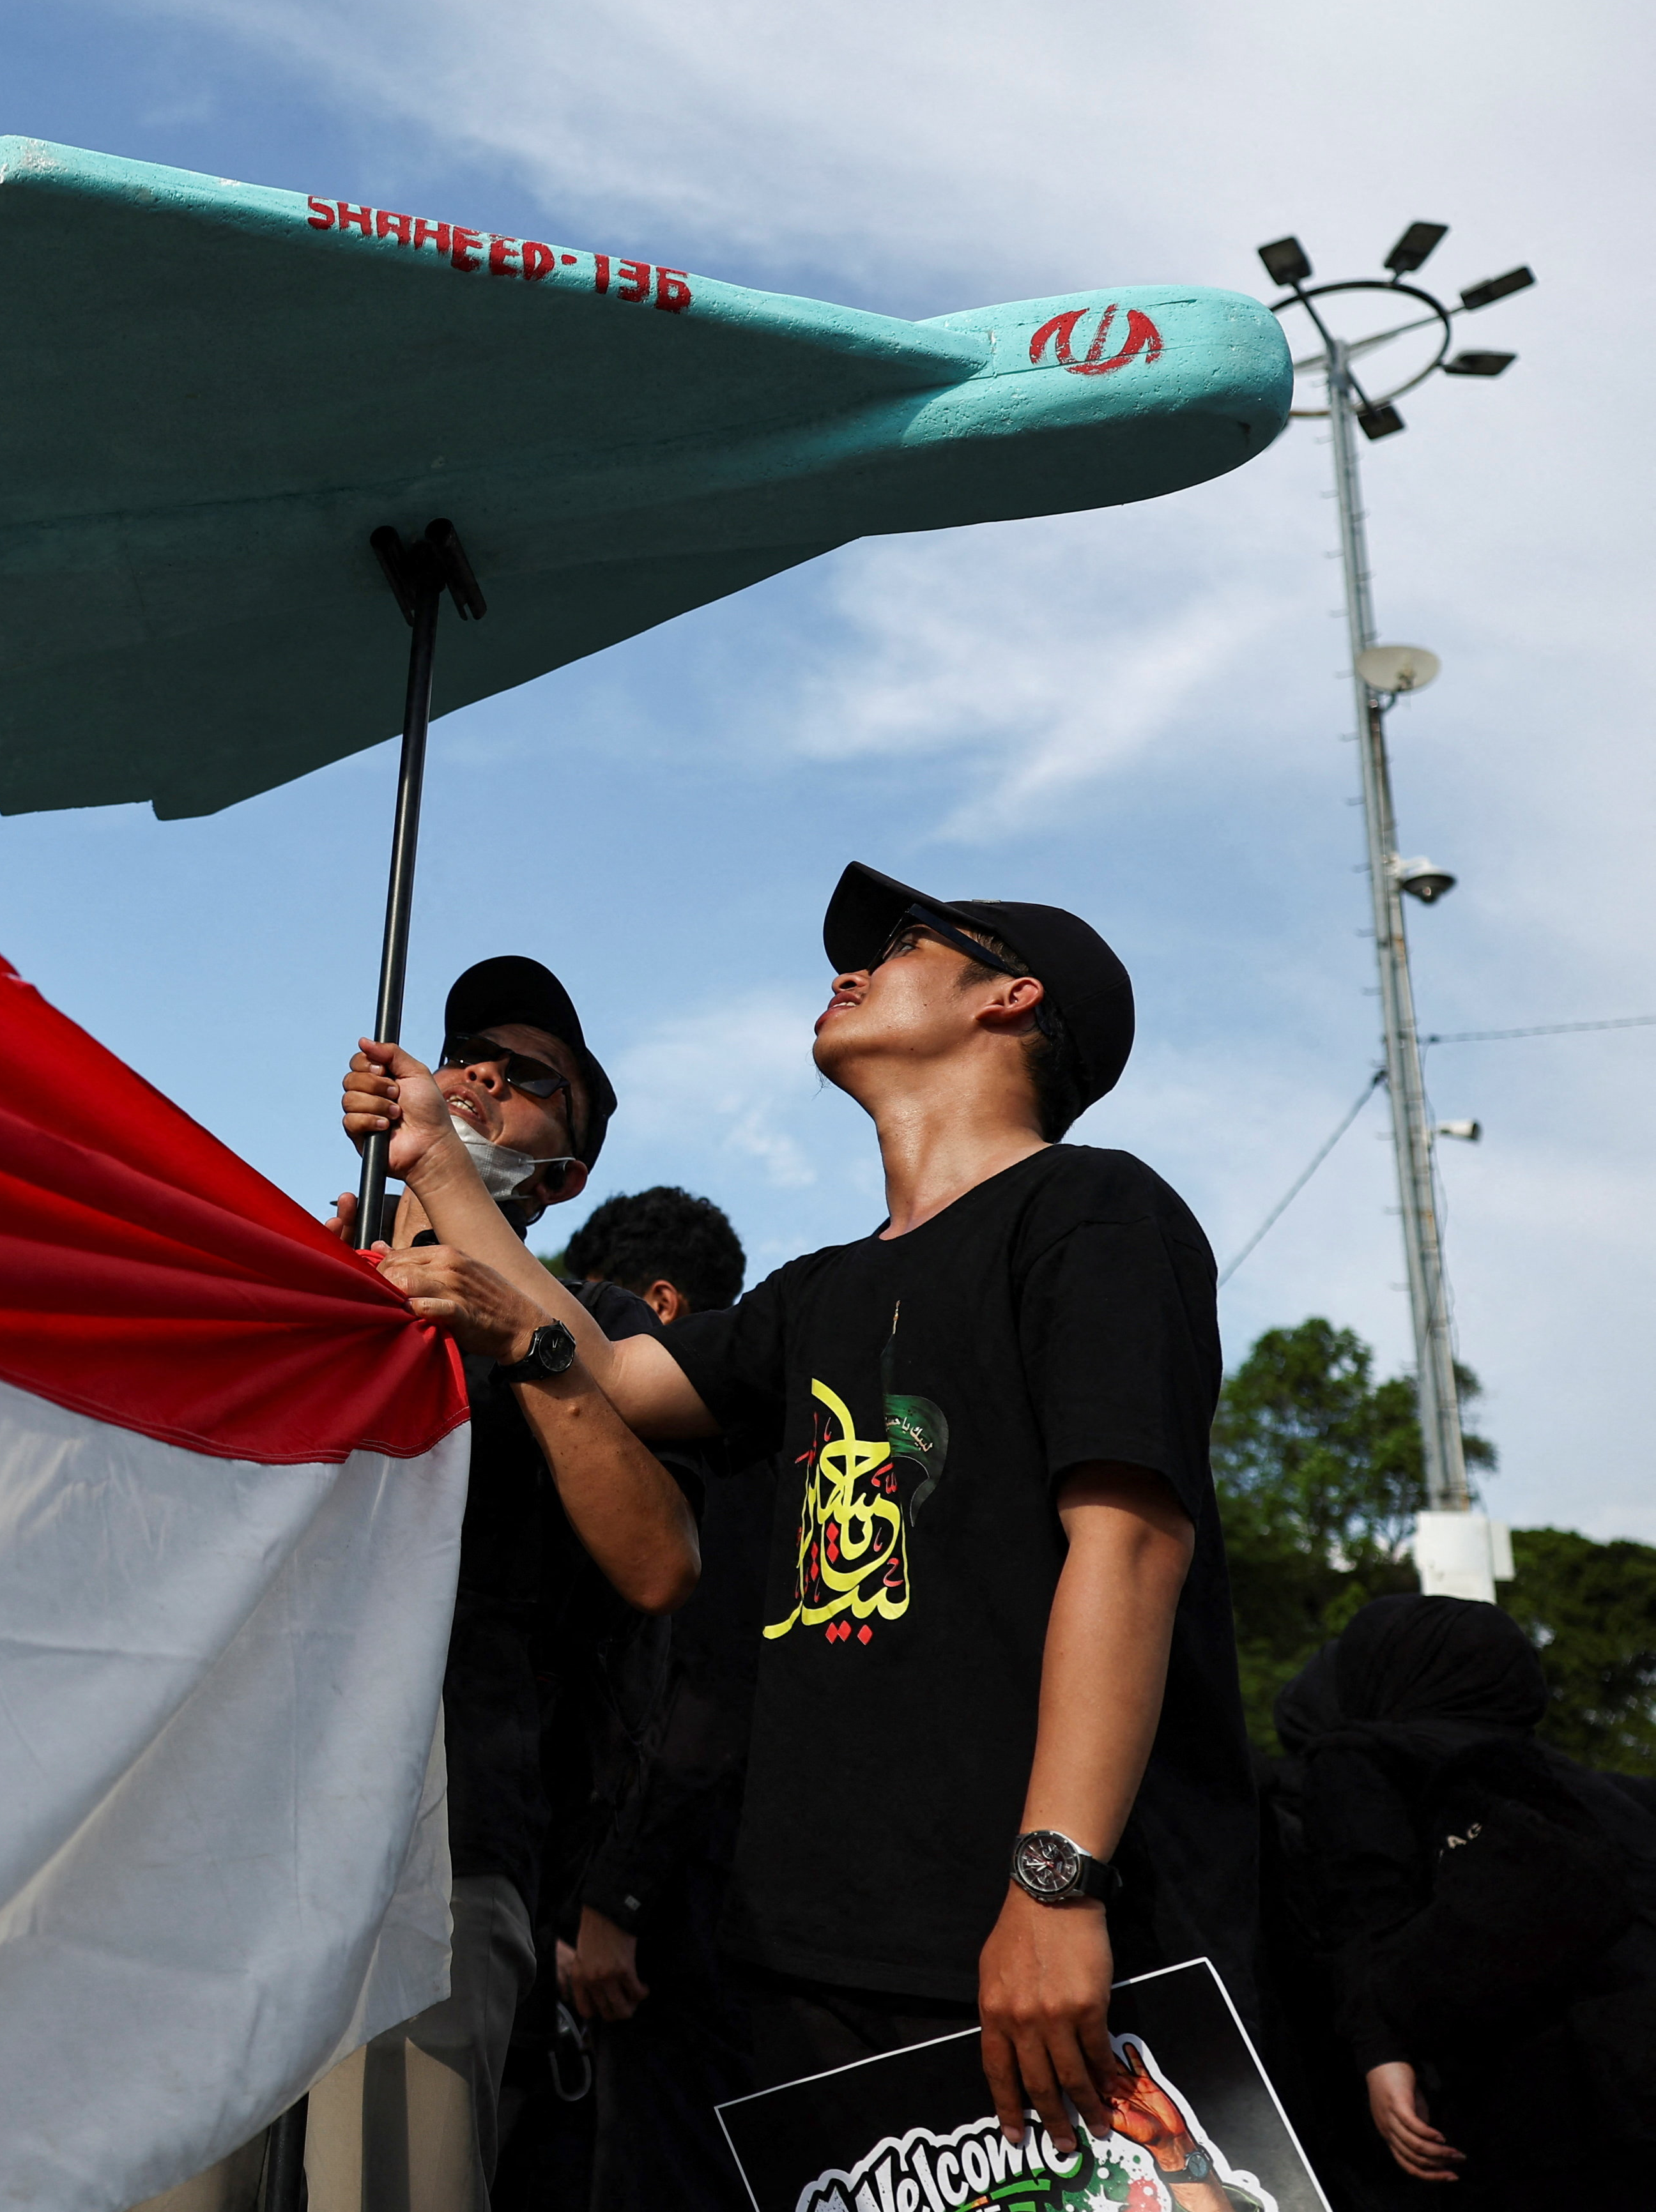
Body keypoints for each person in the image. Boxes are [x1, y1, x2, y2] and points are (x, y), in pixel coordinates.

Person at [344, 863, 1252, 2161]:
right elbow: (602, 1372)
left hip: (1038, 1945)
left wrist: (1054, 1879)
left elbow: (1130, 1542)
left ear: (1010, 997)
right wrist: (434, 1161)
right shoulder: (809, 1295)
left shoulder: (1094, 1213)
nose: (849, 965)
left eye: (898, 943)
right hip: (811, 1957)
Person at [335, 957, 706, 2212]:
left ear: (568, 1172)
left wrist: (528, 1352)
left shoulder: (597, 1333)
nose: (484, 1073)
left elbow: (659, 1566)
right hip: (215, 1833)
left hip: (440, 1856)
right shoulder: (294, 1266)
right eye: (466, 1053)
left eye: (530, 1077)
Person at [1289, 1592, 1656, 2201]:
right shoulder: (1594, 1787)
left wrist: (1380, 2053)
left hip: (1532, 2109)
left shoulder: (1363, 1757)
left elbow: (1362, 1912)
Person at [542, 1188, 756, 2212]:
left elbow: (703, 1682)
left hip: (669, 1919)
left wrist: (610, 1898)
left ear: (656, 1310)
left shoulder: (721, 1459)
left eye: (592, 1317)